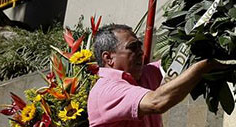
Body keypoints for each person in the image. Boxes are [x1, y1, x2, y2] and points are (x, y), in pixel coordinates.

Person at [88, 24, 224, 127]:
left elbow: (176, 63)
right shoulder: (106, 90)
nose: (141, 52)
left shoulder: (145, 73)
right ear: (108, 58)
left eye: (139, 46)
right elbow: (156, 102)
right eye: (132, 47)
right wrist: (203, 66)